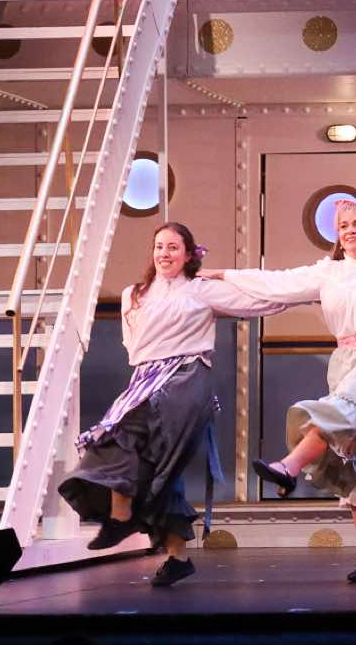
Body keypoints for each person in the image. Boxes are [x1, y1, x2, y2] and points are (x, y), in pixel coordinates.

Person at [209, 198, 356, 583]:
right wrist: (223, 274)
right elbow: (277, 283)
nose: (350, 231)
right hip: (346, 360)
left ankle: (289, 466)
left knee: (341, 410)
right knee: (353, 454)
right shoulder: (327, 272)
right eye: (343, 226)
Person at [58, 222, 284, 587]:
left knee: (126, 435)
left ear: (189, 254)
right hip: (146, 378)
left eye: (173, 247)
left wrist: (311, 290)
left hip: (185, 378)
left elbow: (261, 302)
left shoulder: (200, 290)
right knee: (155, 467)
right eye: (159, 246)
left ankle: (120, 517)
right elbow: (132, 346)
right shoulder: (135, 294)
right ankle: (177, 557)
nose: (164, 253)